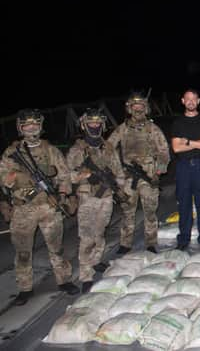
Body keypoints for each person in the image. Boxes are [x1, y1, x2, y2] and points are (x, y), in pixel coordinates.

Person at [0, 109, 79, 305]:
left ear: (40, 126)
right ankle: (25, 288)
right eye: (27, 125)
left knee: (56, 249)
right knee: (23, 252)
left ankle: (64, 280)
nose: (32, 128)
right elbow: (4, 180)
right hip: (23, 209)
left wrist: (61, 194)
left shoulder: (51, 150)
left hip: (49, 208)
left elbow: (64, 176)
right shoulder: (11, 153)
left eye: (35, 124)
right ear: (21, 127)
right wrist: (24, 182)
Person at [67, 108, 126, 292]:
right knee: (86, 237)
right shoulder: (77, 149)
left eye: (98, 123)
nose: (95, 126)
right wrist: (84, 175)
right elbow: (66, 174)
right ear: (84, 125)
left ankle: (96, 260)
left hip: (106, 196)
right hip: (87, 198)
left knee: (100, 232)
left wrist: (120, 188)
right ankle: (86, 275)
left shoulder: (108, 147)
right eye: (91, 123)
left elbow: (118, 170)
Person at [108, 92, 169, 254]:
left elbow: (164, 152)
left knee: (150, 211)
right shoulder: (122, 129)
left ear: (146, 108)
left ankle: (151, 242)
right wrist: (117, 171)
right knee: (127, 211)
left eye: (141, 105)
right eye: (135, 106)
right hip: (128, 177)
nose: (138, 108)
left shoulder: (152, 129)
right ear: (129, 108)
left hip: (148, 175)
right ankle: (125, 243)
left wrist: (158, 171)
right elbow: (108, 149)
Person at [170, 88, 200, 250]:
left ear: (198, 101)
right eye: (187, 99)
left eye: (193, 99)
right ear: (183, 101)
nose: (190, 102)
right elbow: (176, 148)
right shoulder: (178, 123)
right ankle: (184, 239)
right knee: (184, 204)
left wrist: (187, 142)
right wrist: (198, 142)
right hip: (183, 167)